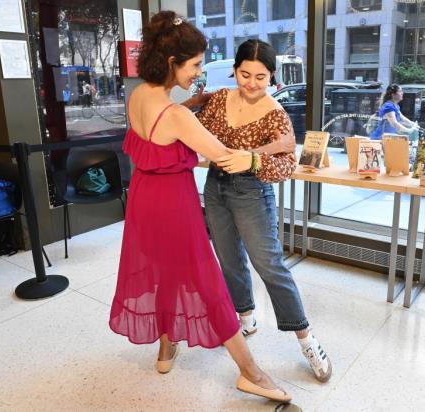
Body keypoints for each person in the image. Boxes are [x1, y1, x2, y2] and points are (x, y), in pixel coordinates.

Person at [109, 12, 291, 403]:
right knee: (208, 281)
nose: (198, 73)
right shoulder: (176, 116)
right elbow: (227, 157)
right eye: (194, 66)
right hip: (174, 202)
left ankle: (164, 346)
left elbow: (155, 142)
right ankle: (250, 372)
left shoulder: (138, 96)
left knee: (164, 271)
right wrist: (272, 148)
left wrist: (196, 105)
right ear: (173, 63)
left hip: (143, 198)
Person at [197, 39, 332, 383]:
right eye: (245, 74)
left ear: (272, 77)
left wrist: (253, 158)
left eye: (260, 76)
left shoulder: (276, 113)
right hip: (215, 187)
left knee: (269, 265)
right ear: (235, 71)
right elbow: (198, 134)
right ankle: (246, 317)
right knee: (228, 258)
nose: (252, 83)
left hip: (252, 193)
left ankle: (307, 340)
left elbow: (287, 166)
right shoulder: (219, 101)